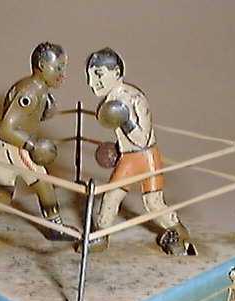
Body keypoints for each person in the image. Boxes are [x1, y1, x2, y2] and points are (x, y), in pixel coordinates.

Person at [84, 47, 197, 256]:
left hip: (146, 157)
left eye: (98, 74)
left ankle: (180, 233)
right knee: (110, 198)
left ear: (116, 73)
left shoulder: (135, 98)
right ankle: (101, 237)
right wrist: (117, 148)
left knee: (153, 203)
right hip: (128, 158)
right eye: (89, 76)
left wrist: (125, 120)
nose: (92, 82)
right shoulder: (110, 99)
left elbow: (143, 139)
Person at [0, 42, 76, 249]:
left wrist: (45, 112)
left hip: (8, 149)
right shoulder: (30, 92)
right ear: (42, 65)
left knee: (4, 196)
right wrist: (32, 145)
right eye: (58, 67)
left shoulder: (36, 88)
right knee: (43, 186)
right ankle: (55, 228)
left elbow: (26, 119)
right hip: (16, 149)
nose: (63, 74)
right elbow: (6, 129)